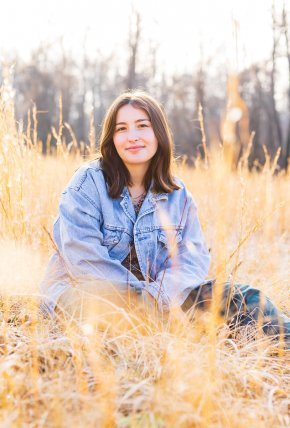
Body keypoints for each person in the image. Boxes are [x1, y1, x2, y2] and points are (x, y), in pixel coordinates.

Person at [40, 90, 289, 347]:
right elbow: (83, 259)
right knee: (95, 304)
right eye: (122, 128)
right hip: (92, 295)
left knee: (244, 297)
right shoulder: (87, 183)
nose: (133, 136)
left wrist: (157, 298)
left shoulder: (178, 195)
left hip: (161, 302)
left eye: (142, 126)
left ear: (158, 133)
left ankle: (282, 341)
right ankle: (155, 337)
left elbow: (192, 260)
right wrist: (138, 300)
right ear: (112, 138)